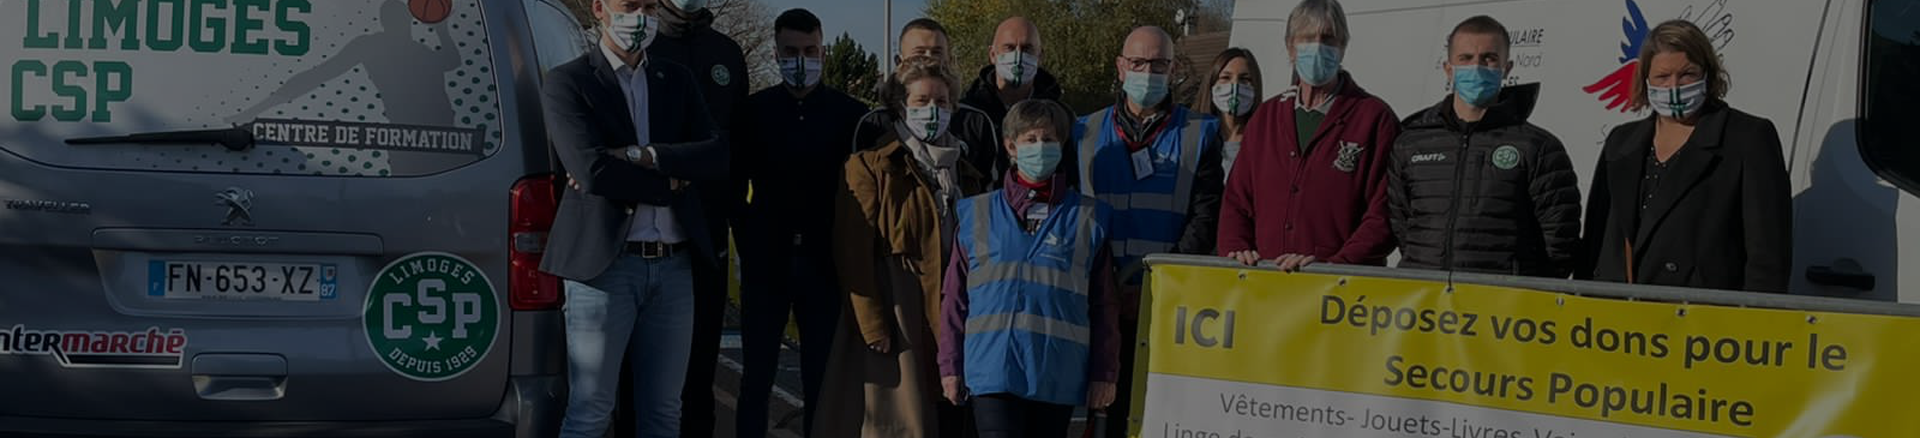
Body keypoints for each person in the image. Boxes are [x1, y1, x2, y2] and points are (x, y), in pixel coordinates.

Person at [538, 0, 726, 436]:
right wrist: (671, 183)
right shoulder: (569, 81)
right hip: (604, 270)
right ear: (600, 8)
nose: (639, 17)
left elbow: (715, 154)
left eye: (647, 5)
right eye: (628, 5)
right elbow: (592, 171)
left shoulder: (674, 80)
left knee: (664, 414)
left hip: (674, 267)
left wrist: (647, 155)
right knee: (590, 412)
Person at [814, 56, 991, 438]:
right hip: (898, 318)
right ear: (899, 105)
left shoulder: (967, 173)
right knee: (898, 425)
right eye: (922, 101)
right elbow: (852, 251)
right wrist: (872, 324)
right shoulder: (869, 166)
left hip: (953, 319)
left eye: (942, 102)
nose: (933, 111)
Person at [1070, 26, 1224, 438]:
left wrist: (1157, 286)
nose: (1147, 72)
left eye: (1158, 64)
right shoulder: (1083, 133)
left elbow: (1205, 218)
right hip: (1097, 303)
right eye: (1138, 63)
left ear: (1173, 69)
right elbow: (1072, 219)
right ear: (1121, 68)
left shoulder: (1200, 133)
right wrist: (1106, 289)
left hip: (1166, 306)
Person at [940, 100, 1121, 438]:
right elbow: (954, 299)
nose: (1040, 147)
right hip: (993, 372)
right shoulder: (976, 214)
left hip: (1057, 374)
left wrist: (1104, 372)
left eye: (1049, 139)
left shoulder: (1088, 219)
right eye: (1030, 139)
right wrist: (950, 366)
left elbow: (1104, 305)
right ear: (1011, 146)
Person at [735, 9, 871, 438]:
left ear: (823, 51)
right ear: (776, 53)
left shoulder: (852, 115)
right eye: (791, 51)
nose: (801, 60)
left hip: (824, 265)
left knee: (821, 380)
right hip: (766, 265)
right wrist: (749, 242)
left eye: (810, 51)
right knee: (756, 376)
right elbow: (734, 186)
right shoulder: (753, 112)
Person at [1579, 19, 1791, 292]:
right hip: (1622, 319)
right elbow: (1597, 236)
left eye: (1687, 74)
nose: (1674, 86)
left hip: (1703, 321)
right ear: (1646, 80)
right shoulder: (1621, 141)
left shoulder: (1748, 137)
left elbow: (1768, 254)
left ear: (1708, 73)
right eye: (1663, 77)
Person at [1388, 16, 1581, 277]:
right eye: (1465, 58)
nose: (1476, 67)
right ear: (1448, 68)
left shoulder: (1538, 147)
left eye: (1489, 58)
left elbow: (1559, 240)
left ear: (1507, 67)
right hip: (1427, 298)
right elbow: (1402, 224)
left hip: (1502, 307)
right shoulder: (1412, 142)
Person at [1217, 0, 1399, 272]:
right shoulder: (1266, 117)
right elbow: (1237, 199)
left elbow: (1385, 213)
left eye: (1328, 38)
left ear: (1342, 47)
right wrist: (1236, 248)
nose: (1317, 46)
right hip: (1263, 283)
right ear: (1290, 47)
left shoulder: (1374, 118)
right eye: (1307, 38)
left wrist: (1333, 267)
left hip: (1340, 292)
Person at [643, 0, 750, 435]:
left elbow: (739, 144)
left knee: (700, 360)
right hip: (649, 230)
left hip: (709, 232)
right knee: (645, 367)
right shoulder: (644, 45)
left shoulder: (726, 51)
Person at [852, 19, 1002, 181]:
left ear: (949, 60)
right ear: (899, 62)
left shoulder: (975, 123)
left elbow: (987, 189)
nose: (929, 60)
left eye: (937, 53)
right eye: (919, 54)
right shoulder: (876, 124)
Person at [959, 16, 1071, 173]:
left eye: (1027, 49)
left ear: (1040, 57)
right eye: (1009, 48)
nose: (1018, 56)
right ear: (992, 54)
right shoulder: (967, 115)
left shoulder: (1060, 115)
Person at [1192, 48, 1263, 182]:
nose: (1235, 85)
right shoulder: (1193, 137)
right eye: (1225, 78)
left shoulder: (1264, 142)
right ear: (1212, 83)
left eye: (1244, 79)